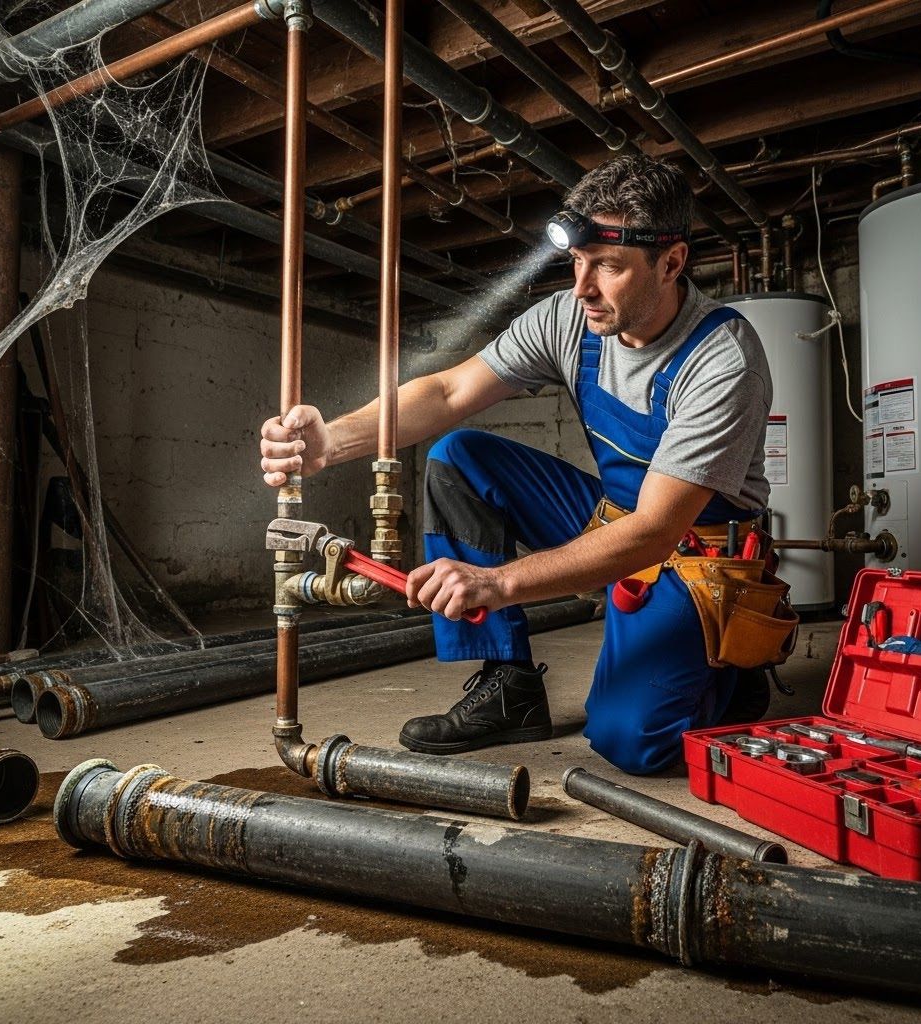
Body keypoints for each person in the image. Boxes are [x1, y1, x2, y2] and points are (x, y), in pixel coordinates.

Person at [260, 154, 774, 774]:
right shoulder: (570, 319)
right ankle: (509, 686)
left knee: (631, 742)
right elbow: (449, 391)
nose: (582, 287)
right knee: (460, 457)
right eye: (577, 261)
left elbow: (656, 530)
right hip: (615, 519)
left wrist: (497, 583)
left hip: (693, 552)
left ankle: (732, 675)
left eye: (608, 266)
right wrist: (333, 441)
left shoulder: (722, 358)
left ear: (671, 262)